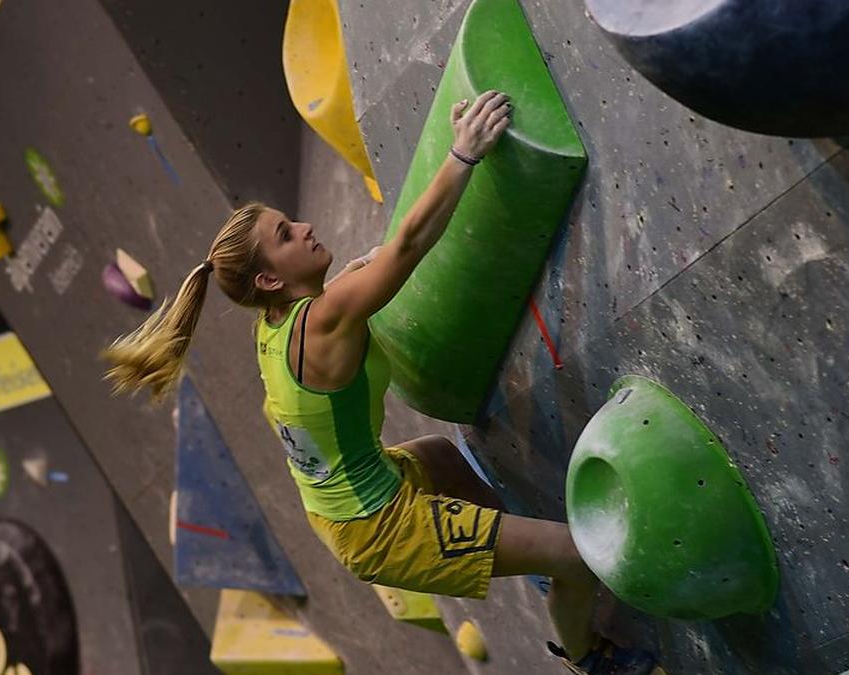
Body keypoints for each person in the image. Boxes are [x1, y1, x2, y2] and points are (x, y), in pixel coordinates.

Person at [103, 90, 654, 674]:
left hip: (342, 505)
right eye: (288, 234)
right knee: (580, 554)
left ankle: (520, 553)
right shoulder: (323, 321)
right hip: (382, 528)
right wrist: (462, 153)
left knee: (443, 456)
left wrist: (343, 276)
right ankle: (590, 657)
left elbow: (335, 316)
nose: (307, 226)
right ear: (268, 278)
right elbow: (410, 244)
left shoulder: (275, 324)